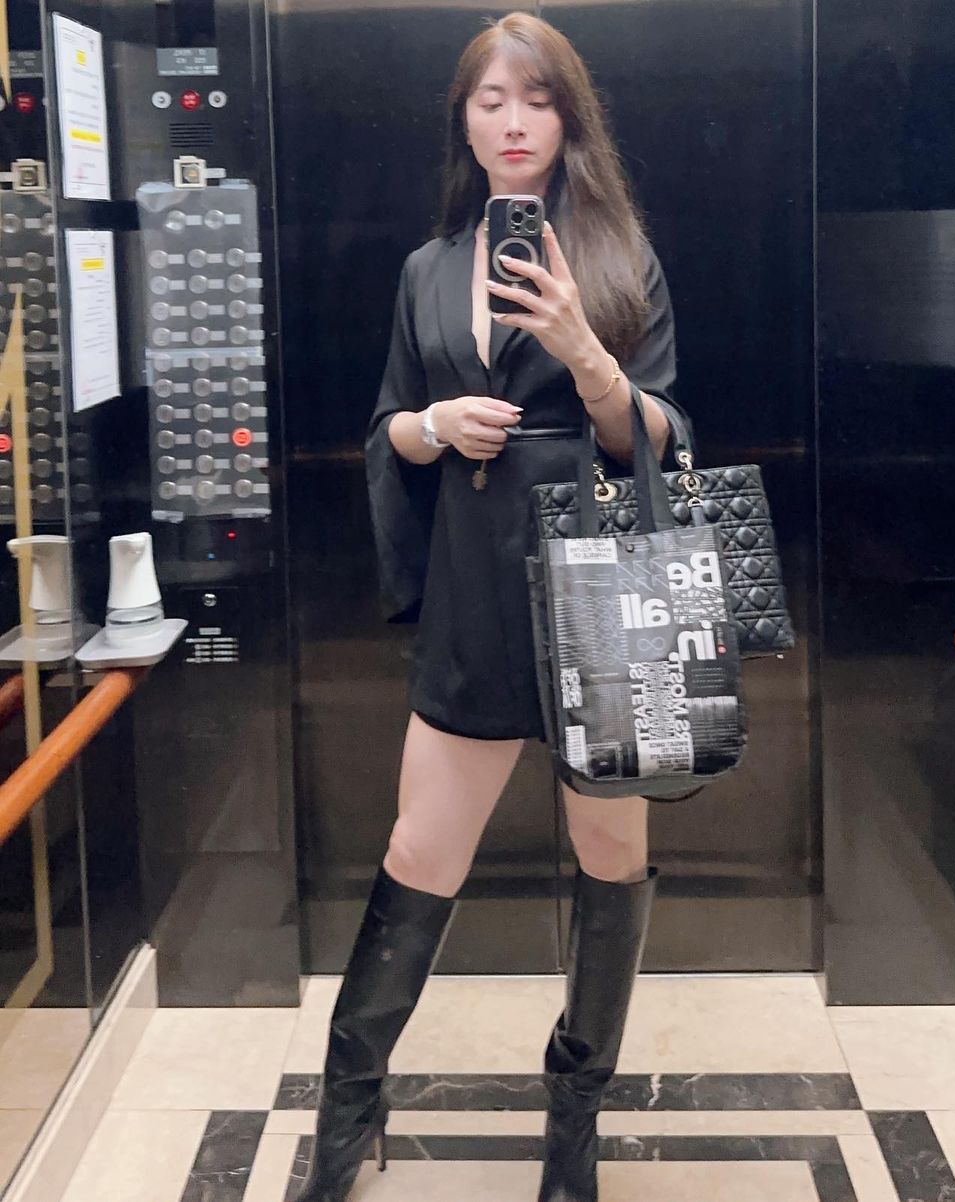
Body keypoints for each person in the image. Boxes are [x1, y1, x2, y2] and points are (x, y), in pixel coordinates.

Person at [298, 12, 684, 1202]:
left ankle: (575, 1126)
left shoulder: (619, 255)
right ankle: (346, 1113)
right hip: (474, 584)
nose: (514, 121)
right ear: (464, 123)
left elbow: (660, 434)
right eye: (490, 100)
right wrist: (434, 423)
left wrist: (582, 349)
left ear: (569, 116)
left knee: (611, 852)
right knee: (420, 850)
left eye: (537, 98)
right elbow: (388, 425)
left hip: (598, 592)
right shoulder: (428, 267)